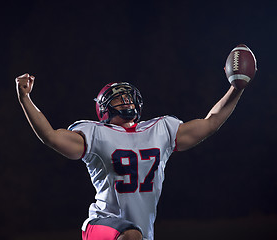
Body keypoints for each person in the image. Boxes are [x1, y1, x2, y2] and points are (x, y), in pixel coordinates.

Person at [15, 74, 244, 240]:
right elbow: (50, 137)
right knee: (131, 235)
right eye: (118, 98)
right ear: (104, 108)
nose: (126, 101)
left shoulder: (161, 129)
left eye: (128, 97)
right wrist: (25, 98)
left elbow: (210, 122)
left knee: (135, 235)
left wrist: (237, 87)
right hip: (101, 226)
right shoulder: (95, 132)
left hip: (140, 233)